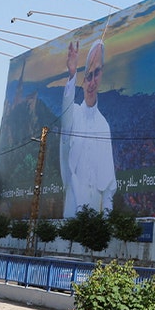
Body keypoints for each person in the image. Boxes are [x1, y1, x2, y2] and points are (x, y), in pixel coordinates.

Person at [59, 39, 117, 218]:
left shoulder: (104, 125)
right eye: (88, 75)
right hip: (73, 204)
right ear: (83, 79)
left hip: (96, 208)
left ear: (102, 74)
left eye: (96, 73)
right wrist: (71, 74)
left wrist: (107, 218)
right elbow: (66, 111)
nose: (91, 82)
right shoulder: (74, 114)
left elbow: (108, 185)